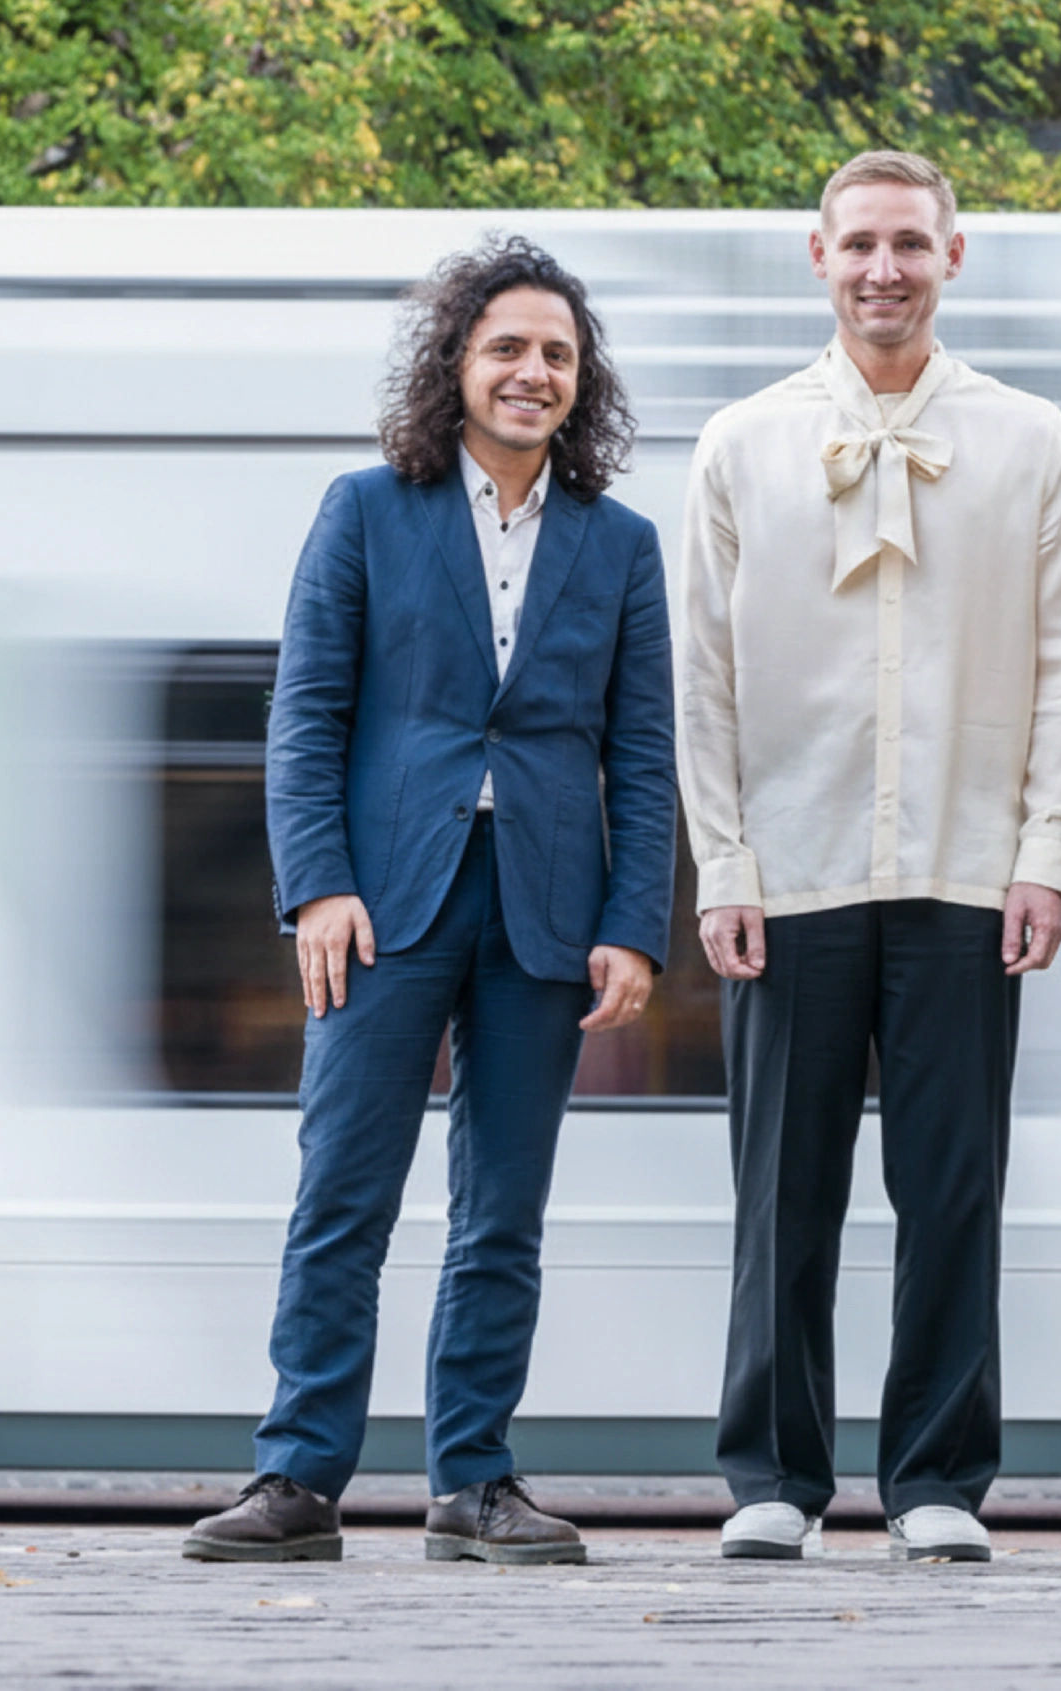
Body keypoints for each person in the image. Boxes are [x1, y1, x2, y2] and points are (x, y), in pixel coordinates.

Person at [184, 238, 677, 1565]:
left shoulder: (620, 545)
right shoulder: (367, 509)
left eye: (558, 354)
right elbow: (306, 715)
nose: (532, 371)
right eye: (508, 346)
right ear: (456, 361)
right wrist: (318, 889)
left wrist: (635, 923)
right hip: (384, 905)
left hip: (546, 914)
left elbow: (641, 747)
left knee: (502, 1209)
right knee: (343, 1191)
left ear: (583, 384)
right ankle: (297, 1476)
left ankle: (474, 1477)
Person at [676, 150, 1061, 1565]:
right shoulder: (738, 443)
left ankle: (935, 1476)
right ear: (818, 256)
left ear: (954, 257)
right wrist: (722, 862)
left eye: (910, 244)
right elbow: (705, 676)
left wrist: (1046, 852)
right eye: (859, 243)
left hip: (967, 866)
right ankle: (774, 1474)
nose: (884, 268)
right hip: (790, 868)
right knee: (781, 1188)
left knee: (954, 1183)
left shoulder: (1031, 437)